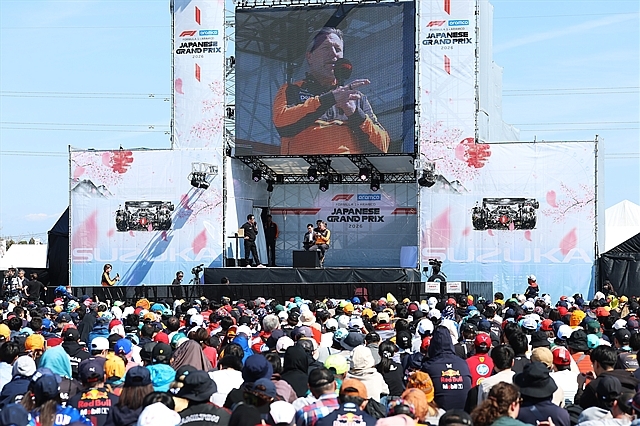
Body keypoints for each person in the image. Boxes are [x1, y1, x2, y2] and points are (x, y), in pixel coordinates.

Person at [273, 27, 390, 155]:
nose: (333, 53)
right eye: (326, 48)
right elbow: (282, 125)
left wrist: (355, 114)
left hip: (347, 166)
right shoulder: (292, 90)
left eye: (338, 49)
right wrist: (329, 99)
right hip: (305, 166)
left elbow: (382, 147)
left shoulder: (356, 98)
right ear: (309, 57)